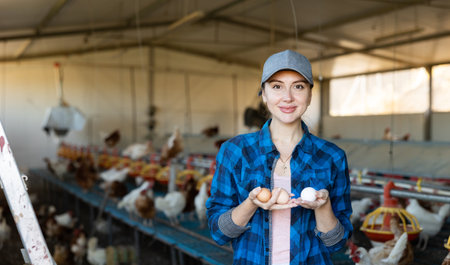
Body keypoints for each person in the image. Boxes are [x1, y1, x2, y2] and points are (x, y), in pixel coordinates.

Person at [206, 50, 353, 265]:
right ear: (264, 94)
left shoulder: (332, 157)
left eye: (298, 86)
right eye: (277, 86)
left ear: (310, 95)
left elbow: (337, 244)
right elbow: (219, 233)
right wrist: (251, 203)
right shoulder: (235, 151)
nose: (288, 97)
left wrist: (323, 207)